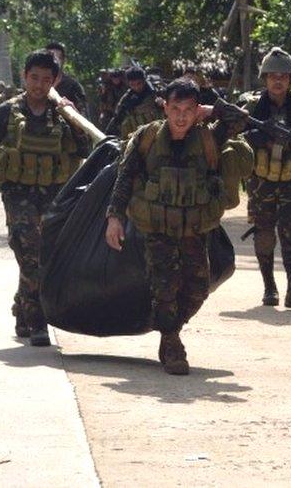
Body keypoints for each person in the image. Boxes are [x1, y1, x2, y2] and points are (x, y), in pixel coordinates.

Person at [104, 78, 246, 375]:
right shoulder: (147, 138)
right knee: (165, 287)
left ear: (197, 111)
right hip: (157, 229)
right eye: (175, 108)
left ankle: (170, 331)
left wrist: (213, 109)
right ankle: (172, 344)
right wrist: (114, 218)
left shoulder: (209, 138)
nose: (181, 116)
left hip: (195, 228)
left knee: (197, 290)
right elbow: (125, 177)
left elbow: (239, 118)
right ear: (164, 107)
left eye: (189, 109)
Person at [0, 50, 91, 346]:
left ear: (56, 80)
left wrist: (73, 116)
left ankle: (22, 306)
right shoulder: (6, 112)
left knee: (46, 256)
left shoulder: (63, 112)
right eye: (34, 78)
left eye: (46, 79)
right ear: (24, 76)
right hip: (18, 195)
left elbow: (84, 149)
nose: (39, 85)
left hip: (55, 193)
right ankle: (38, 322)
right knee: (28, 253)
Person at [239, 47, 291, 309]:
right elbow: (233, 137)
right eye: (273, 76)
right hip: (261, 181)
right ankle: (269, 288)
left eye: (284, 76)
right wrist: (257, 137)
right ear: (264, 78)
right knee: (264, 234)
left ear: (290, 80)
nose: (278, 81)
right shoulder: (251, 108)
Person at [104, 66, 162, 139]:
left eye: (139, 83)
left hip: (160, 133)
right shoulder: (126, 99)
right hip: (140, 138)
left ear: (144, 81)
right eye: (132, 85)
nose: (136, 87)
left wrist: (163, 104)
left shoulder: (157, 92)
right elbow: (117, 118)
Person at [45, 42, 88, 114]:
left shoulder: (73, 86)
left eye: (57, 59)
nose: (53, 62)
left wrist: (73, 110)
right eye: (50, 59)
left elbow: (85, 117)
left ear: (63, 61)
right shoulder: (37, 85)